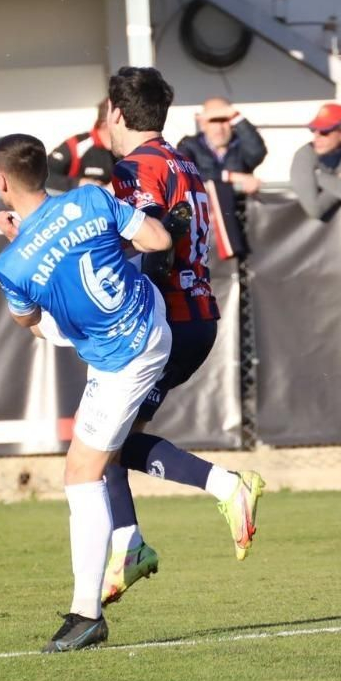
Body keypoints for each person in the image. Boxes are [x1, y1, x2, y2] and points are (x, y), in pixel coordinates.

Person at [0, 133, 174, 651]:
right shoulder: (90, 198)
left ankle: (86, 615)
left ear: (2, 182)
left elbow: (26, 320)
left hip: (123, 358)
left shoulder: (12, 265)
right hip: (149, 314)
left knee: (81, 474)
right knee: (104, 458)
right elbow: (158, 240)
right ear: (43, 172)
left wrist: (24, 246)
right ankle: (130, 543)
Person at [101, 66, 265, 607]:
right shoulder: (184, 162)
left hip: (163, 321)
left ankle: (224, 489)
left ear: (116, 113)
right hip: (197, 315)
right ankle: (129, 544)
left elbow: (157, 240)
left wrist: (130, 304)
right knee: (109, 444)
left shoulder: (134, 169)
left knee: (99, 441)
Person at [176, 96, 267, 260]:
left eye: (224, 120)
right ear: (203, 123)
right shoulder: (189, 145)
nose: (219, 128)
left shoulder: (240, 146)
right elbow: (184, 171)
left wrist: (237, 117)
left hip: (242, 227)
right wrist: (231, 177)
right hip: (201, 232)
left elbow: (257, 152)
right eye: (213, 121)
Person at [290, 102, 341, 222]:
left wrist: (316, 175)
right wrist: (337, 180)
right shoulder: (304, 154)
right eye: (314, 130)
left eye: (324, 132)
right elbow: (315, 210)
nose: (316, 137)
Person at [44, 102, 117, 194]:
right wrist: (78, 183)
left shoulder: (127, 149)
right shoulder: (76, 145)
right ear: (105, 122)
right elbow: (41, 175)